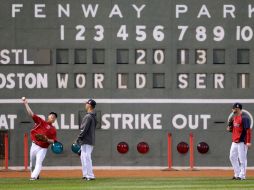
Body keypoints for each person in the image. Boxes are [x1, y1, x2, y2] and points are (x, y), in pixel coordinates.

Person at [22, 97, 58, 180]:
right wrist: (26, 103)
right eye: (51, 115)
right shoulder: (40, 121)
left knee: (39, 162)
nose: (52, 116)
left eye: (54, 117)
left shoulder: (53, 130)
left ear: (54, 120)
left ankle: (33, 177)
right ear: (48, 116)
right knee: (32, 164)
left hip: (43, 148)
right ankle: (35, 175)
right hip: (34, 145)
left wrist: (46, 140)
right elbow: (31, 114)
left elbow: (54, 141)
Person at [227, 103, 252, 180]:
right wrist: (229, 129)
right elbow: (235, 130)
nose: (234, 110)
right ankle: (237, 173)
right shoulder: (234, 118)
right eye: (234, 108)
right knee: (232, 157)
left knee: (242, 159)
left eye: (236, 109)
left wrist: (248, 142)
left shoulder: (245, 118)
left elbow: (248, 131)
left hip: (242, 142)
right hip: (234, 141)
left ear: (239, 109)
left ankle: (242, 175)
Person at [76, 99, 97, 180]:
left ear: (90, 105)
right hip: (86, 140)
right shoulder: (92, 116)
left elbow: (84, 130)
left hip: (87, 140)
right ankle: (85, 175)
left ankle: (90, 175)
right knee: (83, 157)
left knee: (87, 157)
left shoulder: (88, 116)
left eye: (87, 104)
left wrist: (78, 139)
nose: (85, 105)